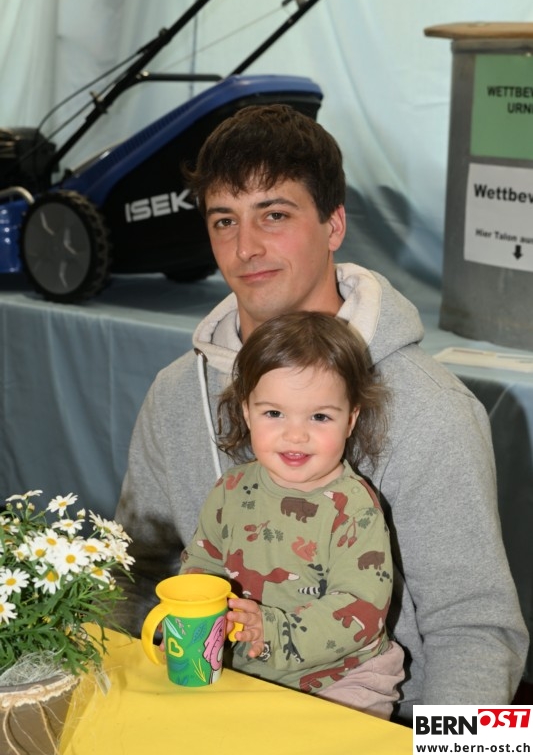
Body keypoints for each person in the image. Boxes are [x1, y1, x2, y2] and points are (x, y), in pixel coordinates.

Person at [114, 103, 528, 723]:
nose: (246, 247)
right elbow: (134, 571)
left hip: (377, 724)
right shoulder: (176, 392)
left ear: (334, 225)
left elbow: (476, 629)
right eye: (224, 220)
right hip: (208, 712)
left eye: (274, 215)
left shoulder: (434, 408)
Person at [179, 310, 404, 719]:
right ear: (246, 411)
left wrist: (272, 630)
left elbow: (360, 609)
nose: (296, 434)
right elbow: (203, 562)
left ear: (350, 419)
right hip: (247, 669)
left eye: (320, 416)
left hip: (341, 677)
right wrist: (189, 615)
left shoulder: (354, 507)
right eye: (274, 413)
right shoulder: (230, 489)